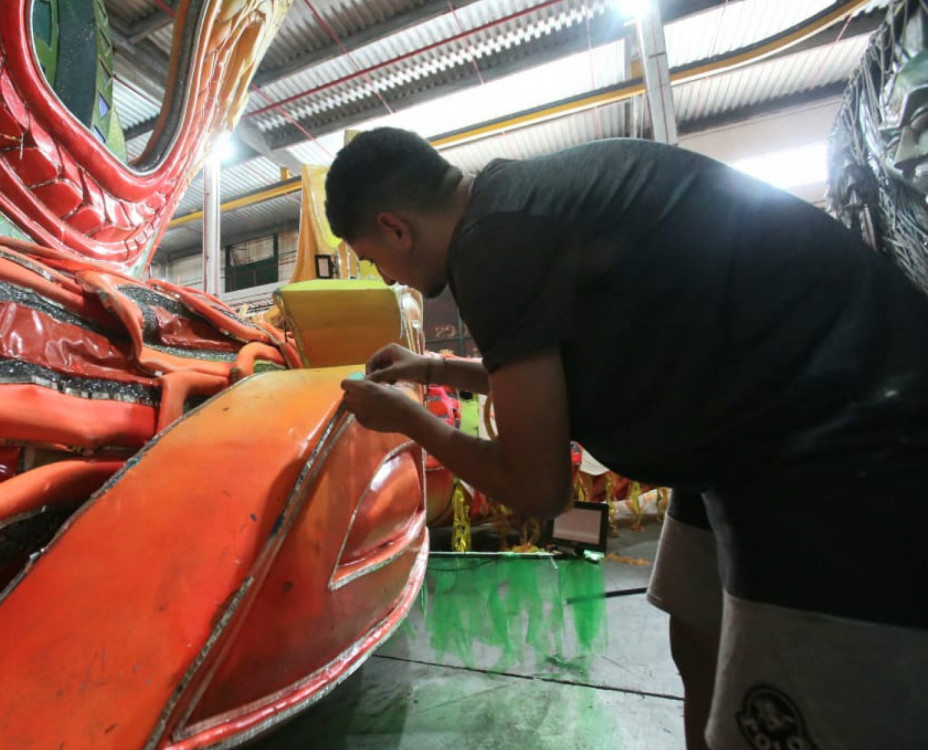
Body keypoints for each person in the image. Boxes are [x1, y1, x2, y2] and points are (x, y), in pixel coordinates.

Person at [326, 127, 928, 750]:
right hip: (734, 424)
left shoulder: (492, 241)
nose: (386, 275)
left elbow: (538, 488)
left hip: (829, 427)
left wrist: (408, 419)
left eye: (373, 258)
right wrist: (432, 369)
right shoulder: (514, 203)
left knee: (776, 717)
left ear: (396, 227)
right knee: (694, 627)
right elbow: (546, 376)